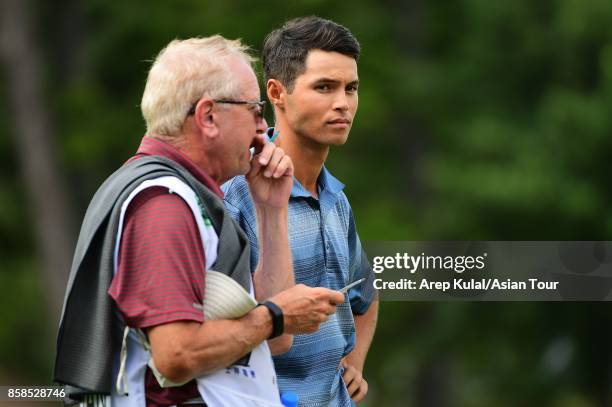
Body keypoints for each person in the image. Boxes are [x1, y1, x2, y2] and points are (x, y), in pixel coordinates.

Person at [54, 36, 345, 407]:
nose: (262, 129)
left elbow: (276, 339)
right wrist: (275, 316)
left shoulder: (176, 194)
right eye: (255, 110)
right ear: (208, 116)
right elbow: (176, 355)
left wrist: (272, 210)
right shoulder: (165, 204)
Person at [222, 17, 379, 406]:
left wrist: (354, 361)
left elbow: (367, 296)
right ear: (276, 93)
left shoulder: (336, 200)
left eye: (351, 88)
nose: (343, 103)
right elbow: (210, 334)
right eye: (324, 87)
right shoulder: (236, 196)